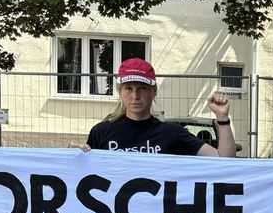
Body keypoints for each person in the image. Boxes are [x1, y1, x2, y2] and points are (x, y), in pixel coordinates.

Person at [81, 58, 235, 156]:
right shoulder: (101, 132)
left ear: (153, 91)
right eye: (129, 88)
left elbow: (225, 161)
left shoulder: (172, 134)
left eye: (142, 88)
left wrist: (222, 118)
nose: (135, 95)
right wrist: (77, 157)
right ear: (120, 91)